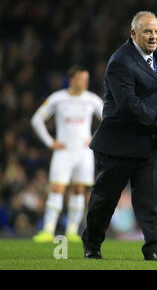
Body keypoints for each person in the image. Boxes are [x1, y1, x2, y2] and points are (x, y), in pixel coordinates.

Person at [81, 11, 157, 260]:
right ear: (133, 33)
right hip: (118, 143)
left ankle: (155, 248)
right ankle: (92, 242)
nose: (154, 36)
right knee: (105, 199)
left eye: (156, 31)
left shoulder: (156, 58)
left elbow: (152, 91)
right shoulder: (120, 61)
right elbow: (128, 103)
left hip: (147, 144)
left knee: (151, 201)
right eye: (148, 31)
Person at [31, 66, 103, 243]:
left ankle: (72, 232)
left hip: (83, 153)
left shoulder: (91, 99)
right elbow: (36, 119)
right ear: (71, 79)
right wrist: (50, 142)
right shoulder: (58, 98)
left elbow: (108, 119)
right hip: (63, 151)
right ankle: (48, 230)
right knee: (57, 188)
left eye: (86, 79)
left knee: (79, 190)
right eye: (81, 79)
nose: (85, 82)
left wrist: (95, 138)